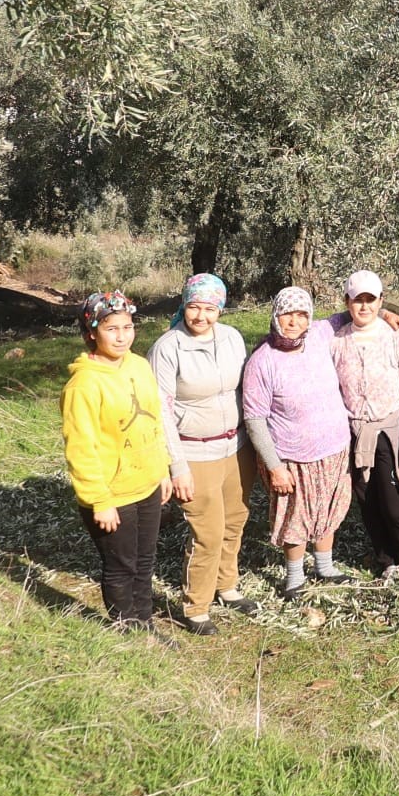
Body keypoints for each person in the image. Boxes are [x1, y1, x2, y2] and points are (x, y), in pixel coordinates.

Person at [147, 273, 257, 637]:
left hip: (236, 447)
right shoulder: (167, 347)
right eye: (194, 307)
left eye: (210, 308)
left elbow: (246, 390)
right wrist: (177, 466)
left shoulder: (232, 338)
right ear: (184, 305)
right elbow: (160, 410)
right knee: (207, 532)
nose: (201, 316)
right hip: (194, 450)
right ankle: (196, 605)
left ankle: (227, 586)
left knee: (235, 520)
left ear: (220, 310)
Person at [62, 291, 173, 640]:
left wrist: (163, 469)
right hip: (113, 494)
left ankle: (145, 624)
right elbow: (81, 448)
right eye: (112, 328)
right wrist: (100, 500)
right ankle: (127, 632)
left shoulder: (139, 365)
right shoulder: (83, 384)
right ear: (93, 331)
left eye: (128, 326)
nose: (122, 336)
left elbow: (155, 422)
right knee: (121, 566)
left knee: (145, 560)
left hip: (147, 484)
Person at [241, 287, 354, 601]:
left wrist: (389, 315)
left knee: (328, 510)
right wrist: (275, 467)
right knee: (295, 516)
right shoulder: (263, 362)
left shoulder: (318, 335)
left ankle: (325, 566)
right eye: (287, 314)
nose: (293, 321)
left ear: (310, 318)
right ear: (275, 315)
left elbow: (355, 311)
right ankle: (294, 577)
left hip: (333, 448)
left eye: (301, 314)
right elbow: (254, 419)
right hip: (292, 458)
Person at [327, 271, 399, 582]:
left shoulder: (397, 339)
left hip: (390, 431)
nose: (365, 306)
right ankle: (384, 558)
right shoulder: (337, 341)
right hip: (355, 433)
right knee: (367, 500)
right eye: (358, 300)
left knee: (396, 501)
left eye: (371, 299)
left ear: (381, 301)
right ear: (347, 302)